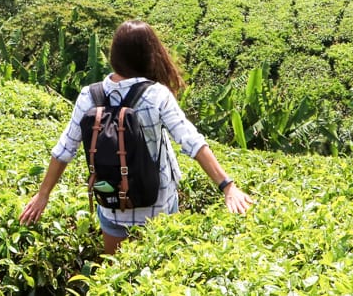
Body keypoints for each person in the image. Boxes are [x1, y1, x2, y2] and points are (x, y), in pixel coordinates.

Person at [18, 20, 255, 255]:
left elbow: (64, 150)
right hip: (158, 205)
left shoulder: (89, 96)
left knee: (114, 274)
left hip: (112, 203)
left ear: (114, 55)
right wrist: (227, 185)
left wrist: (43, 195)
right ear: (149, 55)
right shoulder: (156, 95)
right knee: (157, 273)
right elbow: (191, 140)